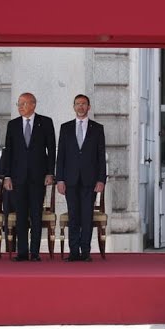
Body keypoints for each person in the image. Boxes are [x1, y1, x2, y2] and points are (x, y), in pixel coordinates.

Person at [1, 92, 57, 261]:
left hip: (38, 177)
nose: (20, 107)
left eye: (23, 104)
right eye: (18, 104)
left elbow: (51, 149)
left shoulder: (45, 122)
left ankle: (35, 252)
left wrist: (50, 173)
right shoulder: (13, 125)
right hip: (18, 178)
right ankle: (22, 252)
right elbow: (8, 152)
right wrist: (7, 176)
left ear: (33, 104)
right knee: (21, 215)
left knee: (36, 214)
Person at [56, 94, 106, 262]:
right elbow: (60, 156)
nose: (81, 107)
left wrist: (101, 180)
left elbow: (101, 157)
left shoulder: (97, 128)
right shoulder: (65, 128)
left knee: (86, 216)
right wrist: (60, 179)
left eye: (84, 104)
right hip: (70, 180)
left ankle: (85, 252)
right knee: (74, 216)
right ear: (74, 106)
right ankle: (73, 252)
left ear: (89, 107)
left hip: (90, 180)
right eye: (78, 104)